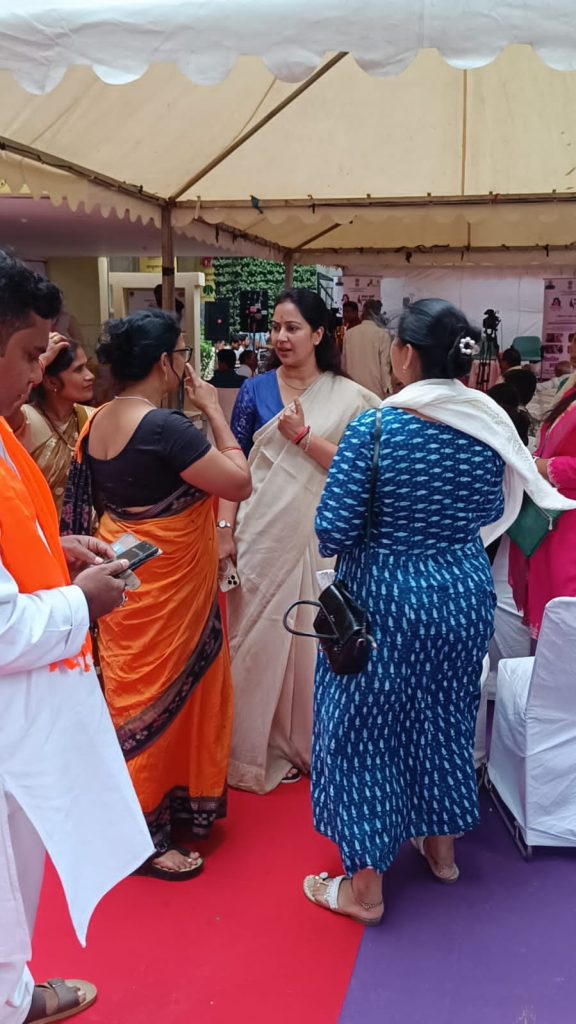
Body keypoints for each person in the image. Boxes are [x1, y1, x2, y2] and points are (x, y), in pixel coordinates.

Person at [302, 298, 574, 925]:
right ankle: (442, 851)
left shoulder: (375, 430)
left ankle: (365, 890)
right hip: (461, 593)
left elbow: (333, 530)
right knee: (446, 719)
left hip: (385, 600)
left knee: (364, 732)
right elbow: (493, 510)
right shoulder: (487, 425)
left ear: (404, 354)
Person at [0, 251, 152, 1024]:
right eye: (32, 354)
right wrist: (80, 605)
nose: (40, 374)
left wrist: (51, 549)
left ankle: (12, 992)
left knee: (13, 881)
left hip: (24, 711)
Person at [63, 309, 251, 879]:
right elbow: (239, 482)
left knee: (130, 699)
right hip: (167, 588)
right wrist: (214, 412)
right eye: (182, 354)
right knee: (159, 702)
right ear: (166, 363)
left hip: (125, 583)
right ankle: (146, 835)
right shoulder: (167, 428)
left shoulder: (98, 421)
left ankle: (142, 810)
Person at [222, 288, 380, 794]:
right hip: (260, 531)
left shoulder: (351, 398)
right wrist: (223, 531)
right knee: (255, 638)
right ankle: (252, 751)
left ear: (318, 335)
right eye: (275, 327)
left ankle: (313, 742)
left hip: (320, 535)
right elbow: (233, 466)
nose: (280, 337)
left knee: (315, 638)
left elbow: (363, 470)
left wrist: (303, 437)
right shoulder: (255, 391)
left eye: (292, 328)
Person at [509, 379, 576, 642]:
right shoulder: (570, 391)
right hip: (551, 519)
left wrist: (541, 466)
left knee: (564, 610)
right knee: (553, 610)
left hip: (567, 526)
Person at [7, 339, 94, 515]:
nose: (90, 375)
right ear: (51, 382)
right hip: (41, 526)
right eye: (79, 369)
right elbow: (7, 399)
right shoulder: (25, 418)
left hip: (88, 528)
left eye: (87, 366)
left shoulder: (92, 417)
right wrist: (41, 362)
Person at [342, 298, 392, 399]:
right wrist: (388, 390)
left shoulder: (349, 334)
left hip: (353, 391)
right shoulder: (382, 335)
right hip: (375, 393)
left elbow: (344, 365)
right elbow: (385, 367)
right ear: (378, 314)